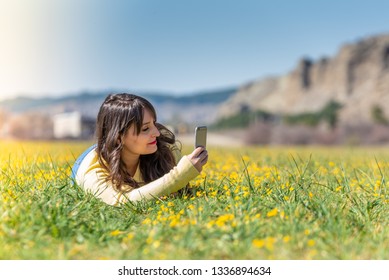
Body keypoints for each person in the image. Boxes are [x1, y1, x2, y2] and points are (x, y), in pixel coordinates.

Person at [71, 93, 208, 206]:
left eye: (154, 123)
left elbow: (182, 189)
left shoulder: (162, 144)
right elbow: (124, 201)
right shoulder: (94, 173)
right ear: (119, 137)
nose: (156, 133)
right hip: (94, 157)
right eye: (145, 129)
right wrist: (179, 174)